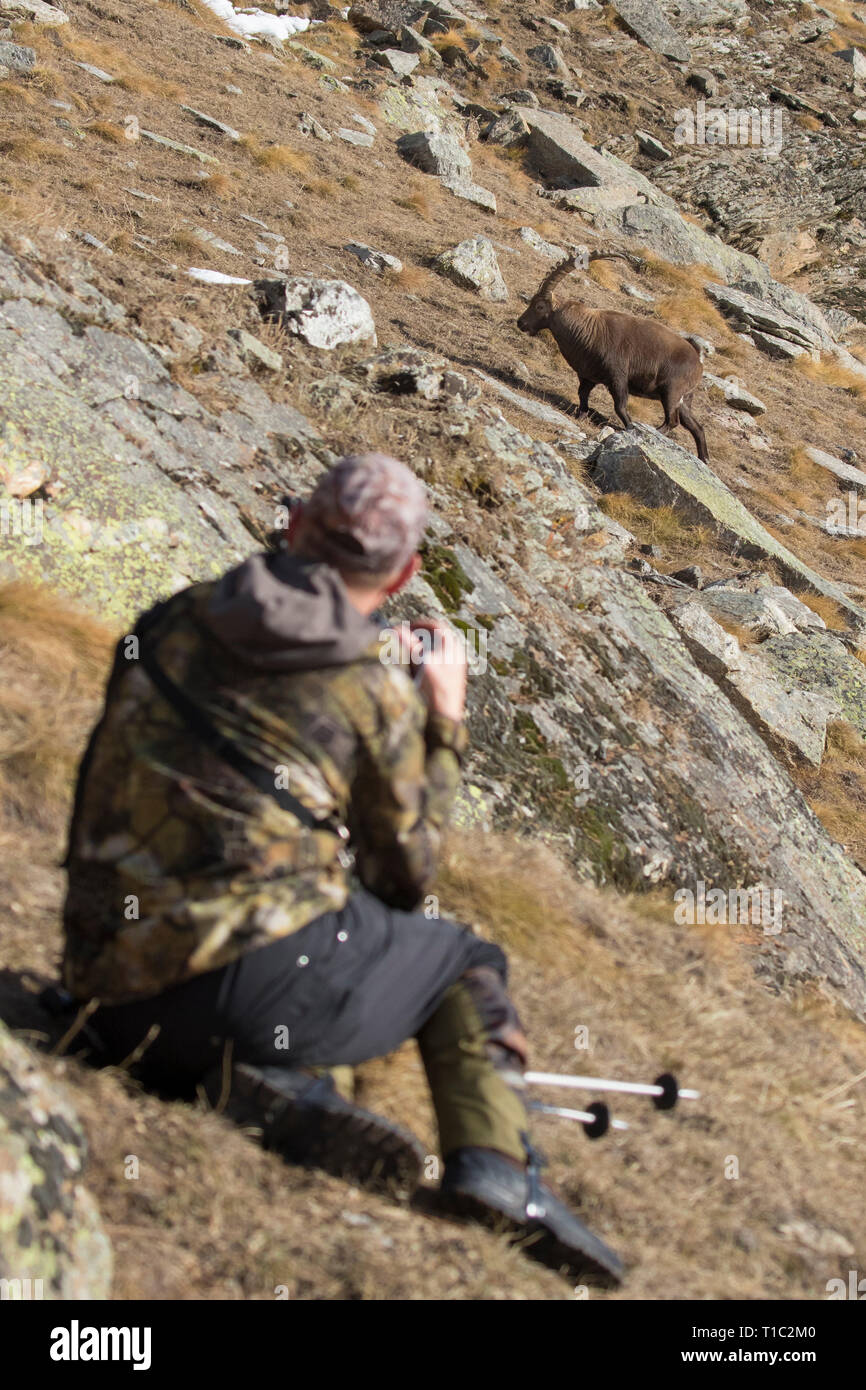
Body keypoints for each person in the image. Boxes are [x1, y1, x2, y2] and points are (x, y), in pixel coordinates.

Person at [61, 452, 623, 1285]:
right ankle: (500, 1172)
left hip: (101, 986)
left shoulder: (174, 614)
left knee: (293, 921)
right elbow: (407, 876)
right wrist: (442, 717)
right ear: (403, 574)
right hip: (235, 993)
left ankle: (266, 1076)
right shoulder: (370, 690)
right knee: (461, 960)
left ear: (293, 526)